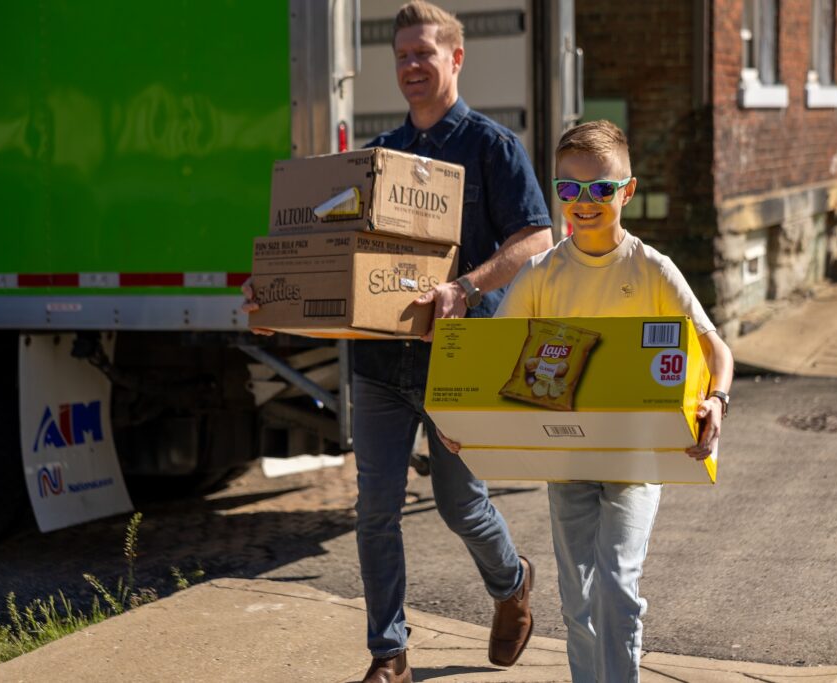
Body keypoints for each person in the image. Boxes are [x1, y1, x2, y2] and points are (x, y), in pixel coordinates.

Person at [245, 3, 552, 682]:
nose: (412, 66)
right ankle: (390, 652)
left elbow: (536, 237)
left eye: (425, 54)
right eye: (403, 56)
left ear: (456, 59)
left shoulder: (491, 147)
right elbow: (337, 252)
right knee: (375, 508)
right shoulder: (380, 159)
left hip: (460, 362)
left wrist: (466, 288)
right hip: (382, 364)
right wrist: (278, 297)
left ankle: (512, 582)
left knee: (460, 503)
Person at [440, 120, 734, 682]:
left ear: (627, 191)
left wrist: (715, 401)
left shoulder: (651, 269)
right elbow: (493, 365)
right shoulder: (540, 273)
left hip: (635, 460)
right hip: (568, 459)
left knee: (618, 590)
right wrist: (469, 427)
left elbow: (714, 347)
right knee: (579, 605)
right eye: (569, 190)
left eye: (600, 189)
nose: (584, 202)